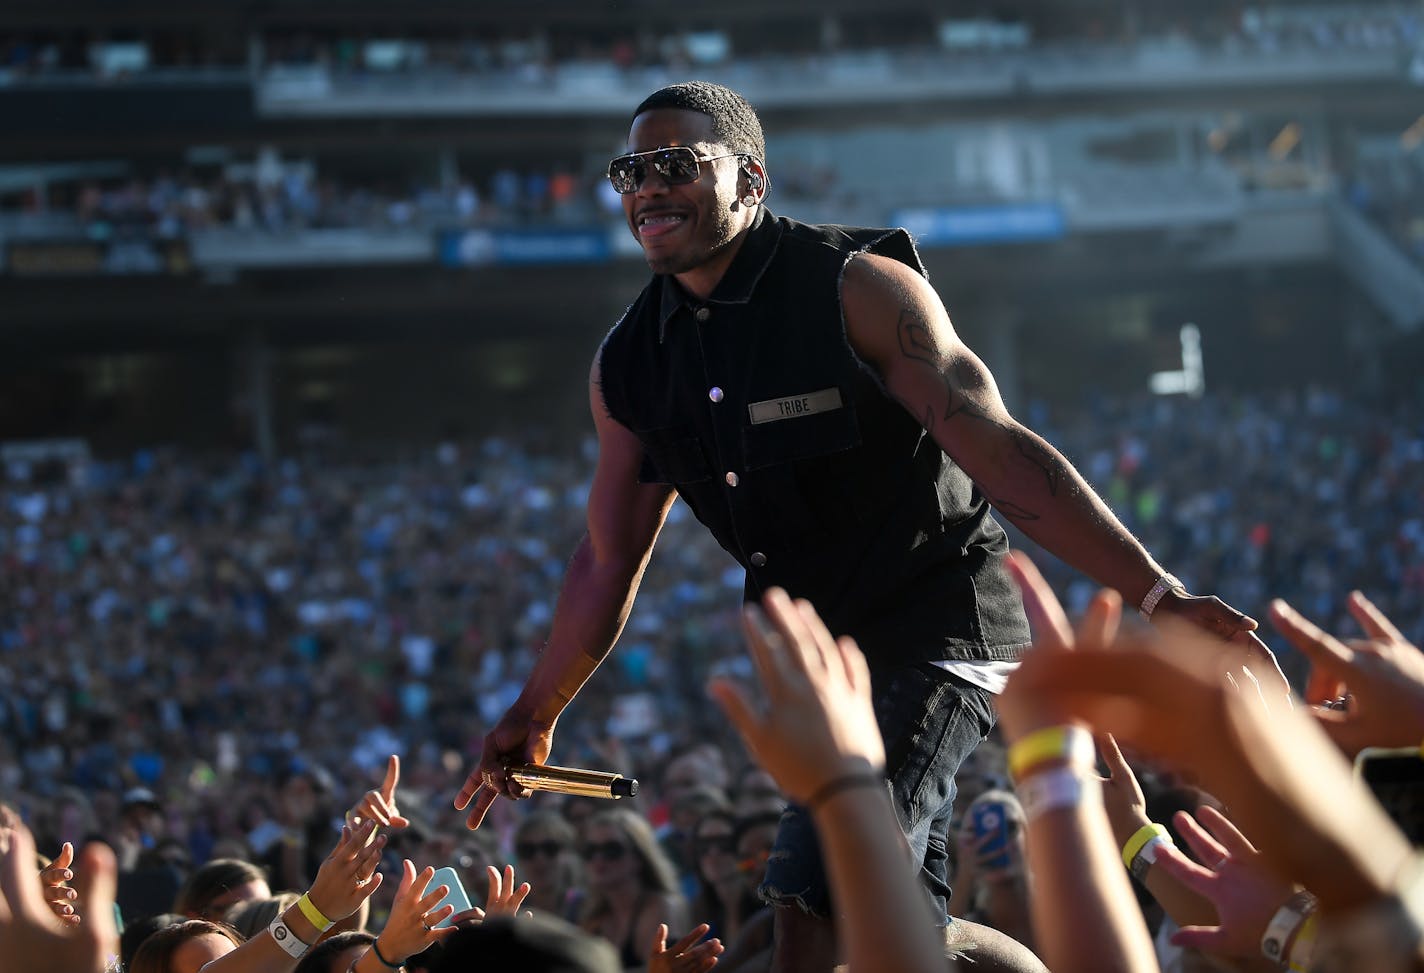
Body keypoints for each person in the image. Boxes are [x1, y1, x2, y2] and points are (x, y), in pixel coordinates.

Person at [456, 79, 1284, 973]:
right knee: (893, 932)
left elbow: (1001, 454)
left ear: (752, 179)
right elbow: (608, 557)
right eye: (630, 171)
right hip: (829, 665)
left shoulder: (858, 289)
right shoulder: (626, 364)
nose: (648, 187)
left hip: (941, 629)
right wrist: (534, 709)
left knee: (812, 893)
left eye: (677, 164)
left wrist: (1158, 596)